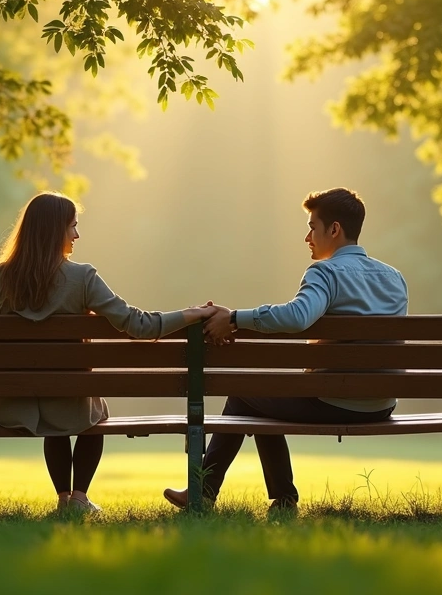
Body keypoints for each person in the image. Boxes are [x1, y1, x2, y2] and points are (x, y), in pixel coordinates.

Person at [163, 187, 408, 511]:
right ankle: (279, 497)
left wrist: (234, 318)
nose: (307, 237)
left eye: (312, 227)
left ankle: (205, 493)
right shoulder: (394, 277)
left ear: (334, 229)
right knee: (262, 396)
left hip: (335, 402)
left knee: (244, 396)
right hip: (381, 404)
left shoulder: (325, 272)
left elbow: (297, 316)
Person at [0, 192, 216, 512]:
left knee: (59, 401)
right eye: (72, 226)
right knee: (92, 411)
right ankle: (78, 498)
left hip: (12, 407)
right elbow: (139, 325)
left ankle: (64, 498)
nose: (77, 235)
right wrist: (189, 315)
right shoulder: (82, 278)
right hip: (70, 402)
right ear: (54, 230)